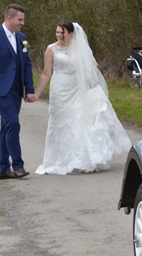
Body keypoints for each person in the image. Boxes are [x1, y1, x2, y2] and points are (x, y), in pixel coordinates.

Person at [33, 21, 131, 175]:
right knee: (59, 122)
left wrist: (94, 86)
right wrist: (38, 93)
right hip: (60, 88)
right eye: (57, 32)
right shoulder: (51, 49)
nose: (59, 35)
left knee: (79, 121)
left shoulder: (79, 48)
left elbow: (85, 69)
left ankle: (85, 159)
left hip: (77, 88)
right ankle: (57, 159)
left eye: (62, 32)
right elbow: (46, 72)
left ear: (71, 33)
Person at [0, 4, 38, 180]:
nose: (22, 23)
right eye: (20, 20)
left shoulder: (22, 38)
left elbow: (27, 65)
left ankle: (3, 169)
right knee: (13, 124)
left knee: (6, 128)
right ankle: (18, 166)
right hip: (0, 91)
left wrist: (29, 89)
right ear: (9, 18)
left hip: (16, 91)